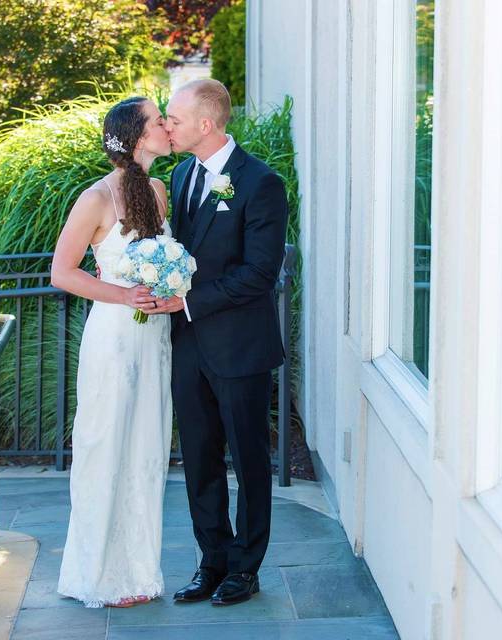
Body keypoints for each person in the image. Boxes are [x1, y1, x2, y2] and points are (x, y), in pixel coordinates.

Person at [142, 79, 289, 606]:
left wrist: (185, 302)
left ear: (206, 124)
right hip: (189, 347)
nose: (167, 126)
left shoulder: (260, 183)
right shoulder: (181, 175)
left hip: (240, 349)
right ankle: (213, 561)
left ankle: (246, 569)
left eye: (174, 119)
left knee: (249, 463)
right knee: (200, 459)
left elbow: (260, 274)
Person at [51, 97, 174, 608]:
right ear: (138, 136)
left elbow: (166, 259)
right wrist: (124, 294)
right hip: (114, 338)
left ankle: (139, 573)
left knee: (147, 451)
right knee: (106, 450)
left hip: (155, 339)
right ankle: (97, 575)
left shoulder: (160, 191)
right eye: (160, 121)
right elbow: (63, 272)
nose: (168, 127)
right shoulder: (95, 199)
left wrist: (171, 288)